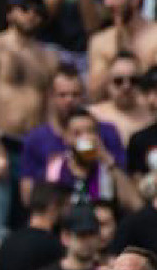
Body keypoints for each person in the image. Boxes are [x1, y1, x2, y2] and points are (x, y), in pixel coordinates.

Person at [20, 65, 125, 204]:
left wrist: (104, 156)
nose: (69, 100)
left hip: (101, 208)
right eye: (62, 95)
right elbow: (27, 198)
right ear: (51, 97)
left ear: (83, 96)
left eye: (75, 94)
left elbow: (130, 200)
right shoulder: (36, 139)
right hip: (58, 213)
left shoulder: (106, 132)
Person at [0, 0, 59, 150]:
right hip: (2, 138)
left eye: (37, 10)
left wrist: (50, 142)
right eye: (25, 8)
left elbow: (50, 105)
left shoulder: (49, 57)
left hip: (36, 143)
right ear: (10, 13)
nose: (31, 14)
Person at [90, 51, 153, 147]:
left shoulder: (153, 115)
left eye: (133, 81)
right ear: (107, 83)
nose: (126, 86)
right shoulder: (92, 116)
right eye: (118, 81)